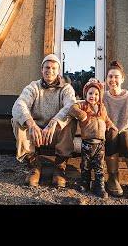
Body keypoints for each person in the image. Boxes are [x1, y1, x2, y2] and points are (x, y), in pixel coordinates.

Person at [11, 54, 78, 188]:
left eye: (54, 68)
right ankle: (34, 165)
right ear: (42, 70)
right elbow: (19, 104)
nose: (50, 71)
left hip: (55, 133)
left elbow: (70, 105)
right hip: (37, 134)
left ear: (58, 71)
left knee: (70, 119)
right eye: (47, 67)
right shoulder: (33, 87)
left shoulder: (66, 88)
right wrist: (31, 123)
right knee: (18, 120)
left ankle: (60, 166)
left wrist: (54, 122)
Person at [103, 60, 128, 200]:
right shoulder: (102, 97)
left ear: (122, 79)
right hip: (110, 138)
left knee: (125, 135)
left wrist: (125, 133)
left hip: (127, 139)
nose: (113, 80)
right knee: (112, 132)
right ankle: (113, 178)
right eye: (110, 77)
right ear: (106, 79)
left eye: (116, 76)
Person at [69, 78, 116, 198]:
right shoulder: (83, 105)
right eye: (90, 93)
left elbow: (106, 119)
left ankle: (99, 186)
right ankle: (85, 183)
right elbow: (72, 108)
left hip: (100, 144)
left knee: (99, 166)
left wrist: (111, 125)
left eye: (96, 94)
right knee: (85, 165)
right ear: (86, 94)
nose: (93, 96)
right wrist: (82, 115)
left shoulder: (102, 108)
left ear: (99, 96)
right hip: (87, 143)